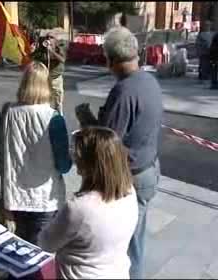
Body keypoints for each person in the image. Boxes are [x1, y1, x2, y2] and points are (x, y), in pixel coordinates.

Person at [75, 27, 163, 279]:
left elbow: (106, 143)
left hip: (131, 177)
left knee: (126, 248)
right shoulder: (148, 80)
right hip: (148, 169)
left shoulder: (124, 91)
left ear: (111, 60)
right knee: (134, 240)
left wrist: (86, 119)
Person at [38, 126, 138, 279]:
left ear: (89, 165)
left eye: (78, 158)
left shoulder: (79, 208)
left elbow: (46, 243)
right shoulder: (130, 191)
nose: (76, 162)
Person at [0, 61, 72, 245]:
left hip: (15, 198)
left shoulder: (8, 112)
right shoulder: (54, 118)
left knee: (19, 249)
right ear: (46, 85)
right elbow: (64, 165)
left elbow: (1, 155)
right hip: (45, 199)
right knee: (39, 256)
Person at [31, 32, 66, 114]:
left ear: (55, 40)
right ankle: (46, 118)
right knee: (44, 100)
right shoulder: (42, 49)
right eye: (47, 37)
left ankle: (59, 117)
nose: (48, 39)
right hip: (44, 79)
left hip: (56, 79)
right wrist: (32, 51)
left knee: (58, 101)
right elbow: (33, 58)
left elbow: (62, 59)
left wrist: (51, 51)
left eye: (51, 37)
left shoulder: (59, 48)